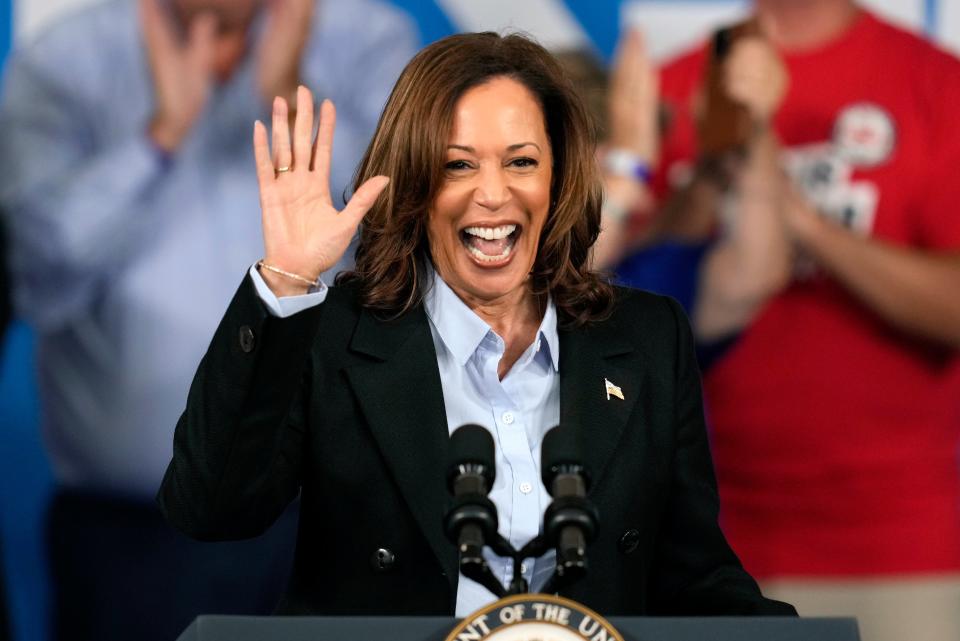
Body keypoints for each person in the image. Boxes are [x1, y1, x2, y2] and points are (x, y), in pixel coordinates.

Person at [158, 31, 797, 618]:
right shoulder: (334, 336)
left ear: (561, 178)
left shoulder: (647, 338)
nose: (491, 194)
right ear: (412, 183)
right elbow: (210, 508)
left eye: (521, 162)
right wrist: (286, 280)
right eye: (457, 165)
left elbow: (693, 579)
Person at [0, 0, 416, 638]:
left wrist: (291, 97)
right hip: (133, 539)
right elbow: (30, 271)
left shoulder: (366, 39)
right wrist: (159, 139)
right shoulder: (65, 61)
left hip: (334, 522)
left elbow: (412, 236)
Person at [647, 2, 960, 640]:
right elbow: (619, 281)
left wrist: (804, 223)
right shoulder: (678, 83)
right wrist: (719, 163)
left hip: (899, 545)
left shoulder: (933, 81)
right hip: (705, 545)